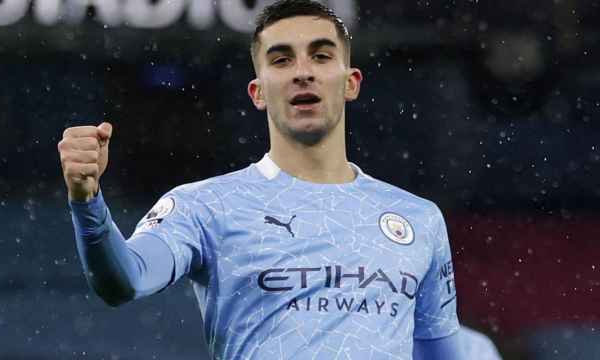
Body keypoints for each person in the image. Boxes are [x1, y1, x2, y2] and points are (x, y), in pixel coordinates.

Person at [58, 1, 466, 359]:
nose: (302, 72)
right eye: (281, 59)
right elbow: (125, 280)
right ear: (257, 92)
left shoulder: (418, 219)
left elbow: (441, 353)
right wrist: (87, 200)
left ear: (350, 83)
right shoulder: (206, 206)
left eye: (321, 56)